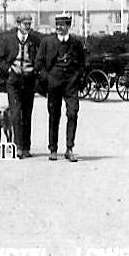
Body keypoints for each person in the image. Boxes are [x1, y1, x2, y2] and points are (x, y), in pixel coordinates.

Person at [35, 14, 86, 162]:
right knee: (53, 115)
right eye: (57, 25)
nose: (59, 27)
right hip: (54, 84)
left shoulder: (76, 43)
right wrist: (47, 78)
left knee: (72, 113)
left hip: (71, 84)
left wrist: (77, 77)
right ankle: (53, 149)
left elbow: (82, 63)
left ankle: (69, 148)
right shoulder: (47, 42)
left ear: (68, 26)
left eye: (62, 25)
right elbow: (39, 64)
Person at [0, 15, 42, 159]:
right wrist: (8, 69)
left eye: (29, 24)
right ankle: (18, 147)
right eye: (25, 24)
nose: (27, 26)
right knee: (15, 114)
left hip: (29, 80)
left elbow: (40, 58)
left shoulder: (34, 40)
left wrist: (35, 70)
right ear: (18, 24)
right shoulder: (8, 40)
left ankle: (26, 148)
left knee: (27, 114)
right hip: (13, 81)